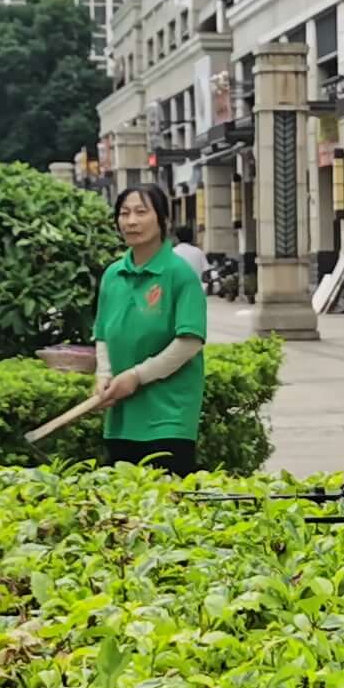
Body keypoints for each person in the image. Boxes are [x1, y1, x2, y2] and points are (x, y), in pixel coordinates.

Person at [90, 183, 211, 473]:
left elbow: (189, 342)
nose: (131, 221)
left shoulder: (179, 274)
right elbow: (103, 334)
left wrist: (137, 375)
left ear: (162, 220)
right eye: (124, 213)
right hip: (122, 417)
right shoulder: (112, 274)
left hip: (169, 416)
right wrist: (104, 375)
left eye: (141, 212)